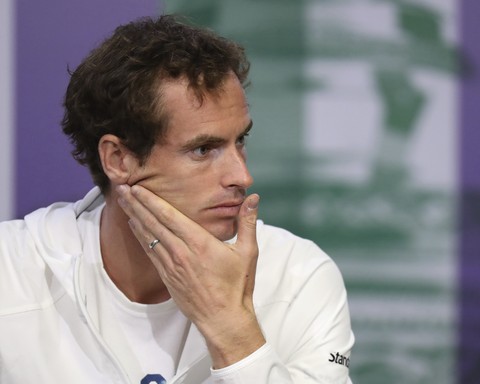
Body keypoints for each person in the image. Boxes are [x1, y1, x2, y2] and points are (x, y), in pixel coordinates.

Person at [0, 15, 354, 383]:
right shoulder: (10, 274)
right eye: (203, 149)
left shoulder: (298, 276)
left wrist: (232, 328)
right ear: (118, 160)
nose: (241, 177)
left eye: (240, 141)